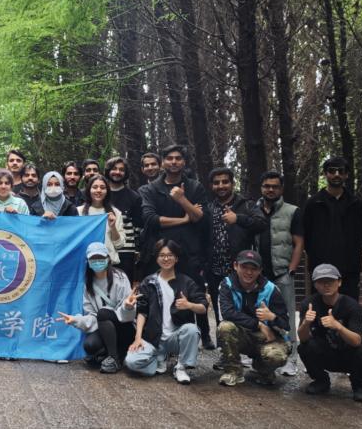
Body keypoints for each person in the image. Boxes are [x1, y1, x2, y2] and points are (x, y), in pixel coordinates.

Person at [139, 145, 212, 348]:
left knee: (195, 291)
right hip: (160, 251)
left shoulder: (195, 187)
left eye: (178, 158)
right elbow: (151, 219)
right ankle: (157, 335)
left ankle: (205, 334)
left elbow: (200, 218)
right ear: (163, 162)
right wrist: (184, 219)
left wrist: (182, 199)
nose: (173, 162)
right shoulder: (149, 189)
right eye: (169, 158)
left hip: (189, 251)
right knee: (159, 293)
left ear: (184, 162)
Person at [125, 240, 208, 384]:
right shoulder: (149, 282)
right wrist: (138, 338)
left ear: (176, 258)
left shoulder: (186, 281)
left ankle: (181, 367)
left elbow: (203, 307)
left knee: (192, 329)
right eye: (162, 255)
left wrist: (189, 305)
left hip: (175, 337)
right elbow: (142, 312)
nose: (166, 258)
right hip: (153, 338)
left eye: (170, 255)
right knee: (131, 362)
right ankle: (159, 358)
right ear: (156, 258)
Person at [297, 264, 362, 402]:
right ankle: (321, 381)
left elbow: (356, 341)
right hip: (325, 353)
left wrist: (338, 326)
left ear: (339, 282)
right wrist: (306, 323)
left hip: (347, 353)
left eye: (330, 281)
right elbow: (303, 339)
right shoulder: (309, 304)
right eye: (321, 281)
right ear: (315, 284)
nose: (326, 285)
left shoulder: (352, 306)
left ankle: (359, 386)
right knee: (304, 347)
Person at [255, 170, 304, 376]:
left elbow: (299, 242)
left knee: (287, 316)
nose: (270, 190)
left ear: (281, 189)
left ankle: (291, 359)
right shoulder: (254, 210)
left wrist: (292, 268)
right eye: (267, 186)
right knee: (258, 314)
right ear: (261, 188)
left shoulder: (292, 211)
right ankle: (260, 356)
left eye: (275, 186)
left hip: (282, 272)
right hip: (258, 275)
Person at [216, 250, 290, 387]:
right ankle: (233, 371)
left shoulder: (271, 289)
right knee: (225, 327)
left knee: (276, 356)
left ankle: (263, 370)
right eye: (244, 267)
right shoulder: (226, 285)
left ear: (260, 270)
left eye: (254, 268)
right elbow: (227, 313)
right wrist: (259, 324)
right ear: (235, 266)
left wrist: (272, 317)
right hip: (243, 335)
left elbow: (286, 325)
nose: (249, 272)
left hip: (268, 338)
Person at [58, 242, 135, 374]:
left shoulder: (120, 278)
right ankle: (106, 354)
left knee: (103, 313)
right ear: (88, 262)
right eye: (93, 259)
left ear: (108, 259)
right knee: (90, 345)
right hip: (105, 327)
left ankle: (114, 359)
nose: (97, 262)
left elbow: (129, 316)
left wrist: (128, 307)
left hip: (125, 326)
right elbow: (93, 316)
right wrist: (76, 320)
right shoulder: (88, 283)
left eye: (101, 258)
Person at [206, 167, 266, 328]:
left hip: (242, 269)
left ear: (232, 183)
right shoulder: (209, 208)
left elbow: (262, 224)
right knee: (221, 311)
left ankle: (251, 338)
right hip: (215, 270)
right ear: (212, 186)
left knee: (245, 309)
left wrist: (238, 218)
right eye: (216, 183)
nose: (221, 186)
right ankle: (223, 340)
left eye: (225, 182)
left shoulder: (246, 205)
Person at [302, 157, 362, 301]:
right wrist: (316, 258)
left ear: (346, 175)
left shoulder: (355, 203)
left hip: (349, 268)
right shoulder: (313, 203)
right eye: (332, 171)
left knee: (349, 306)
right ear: (325, 174)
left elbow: (358, 234)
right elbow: (307, 235)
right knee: (320, 308)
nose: (336, 174)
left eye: (341, 171)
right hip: (321, 268)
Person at [104, 156, 145, 281]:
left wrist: (137, 250)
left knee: (124, 284)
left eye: (121, 169)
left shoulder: (134, 197)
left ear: (126, 173)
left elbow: (138, 227)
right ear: (108, 170)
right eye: (114, 168)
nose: (117, 172)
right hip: (103, 248)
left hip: (125, 251)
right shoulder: (100, 194)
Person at [78, 174, 125, 265]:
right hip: (84, 263)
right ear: (89, 190)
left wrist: (113, 227)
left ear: (107, 191)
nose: (99, 190)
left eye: (102, 188)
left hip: (109, 264)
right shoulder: (79, 212)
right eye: (95, 187)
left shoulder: (115, 213)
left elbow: (119, 245)